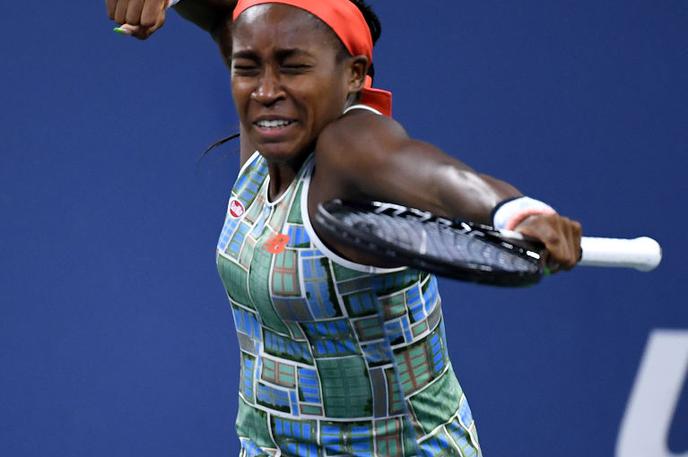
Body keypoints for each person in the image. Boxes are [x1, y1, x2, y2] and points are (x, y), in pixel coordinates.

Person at [106, 1, 582, 455]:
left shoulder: (350, 146)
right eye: (247, 67)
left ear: (354, 75)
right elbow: (221, 14)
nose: (266, 89)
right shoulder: (268, 133)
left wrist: (511, 212)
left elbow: (425, 172)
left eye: (293, 67)